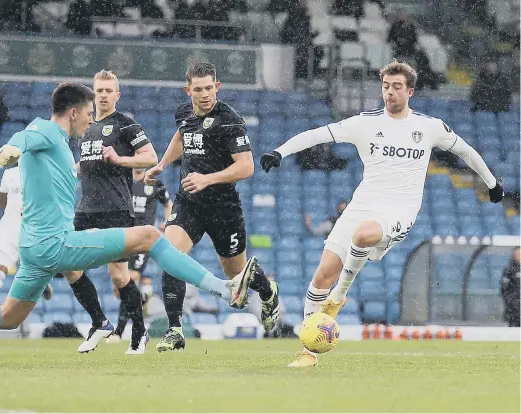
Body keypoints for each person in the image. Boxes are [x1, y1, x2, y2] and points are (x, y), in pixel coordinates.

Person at [0, 82, 257, 343]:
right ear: (73, 112)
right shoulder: (47, 132)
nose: (92, 120)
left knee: (7, 318)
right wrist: (12, 149)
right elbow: (25, 138)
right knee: (149, 235)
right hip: (55, 245)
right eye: (89, 113)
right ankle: (224, 287)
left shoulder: (60, 142)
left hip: (34, 249)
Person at [260, 61, 505, 367]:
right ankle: (308, 352)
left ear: (410, 91)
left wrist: (493, 184)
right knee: (322, 273)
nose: (390, 92)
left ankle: (338, 299)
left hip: (400, 210)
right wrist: (279, 151)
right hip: (363, 203)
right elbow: (317, 134)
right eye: (386, 86)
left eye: (397, 87)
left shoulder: (429, 127)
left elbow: (466, 151)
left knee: (363, 236)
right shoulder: (365, 122)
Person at [145, 61, 280, 352]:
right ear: (188, 90)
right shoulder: (183, 113)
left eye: (209, 88)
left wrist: (208, 179)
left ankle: (268, 292)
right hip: (189, 204)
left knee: (236, 276)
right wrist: (163, 163)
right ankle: (175, 330)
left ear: (217, 87)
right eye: (198, 89)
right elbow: (182, 137)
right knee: (170, 256)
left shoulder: (230, 120)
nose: (205, 94)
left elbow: (246, 167)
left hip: (224, 209)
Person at [62, 70, 158, 356]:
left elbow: (151, 157)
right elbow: (84, 166)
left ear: (117, 94)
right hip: (86, 209)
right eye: (99, 90)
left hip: (115, 209)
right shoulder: (84, 127)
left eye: (108, 90)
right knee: (67, 263)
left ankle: (139, 334)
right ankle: (99, 322)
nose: (103, 95)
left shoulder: (126, 126)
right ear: (92, 94)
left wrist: (120, 159)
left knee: (118, 276)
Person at [0, 167, 53, 345]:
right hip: (7, 234)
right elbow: (0, 202)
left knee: (33, 274)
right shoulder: (10, 174)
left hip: (32, 234)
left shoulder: (44, 170)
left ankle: (42, 281)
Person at [107, 167, 172, 343]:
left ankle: (119, 332)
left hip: (142, 241)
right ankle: (142, 297)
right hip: (123, 237)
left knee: (131, 278)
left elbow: (168, 204)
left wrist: (168, 223)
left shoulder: (155, 184)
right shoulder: (123, 181)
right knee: (120, 287)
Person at [501, 247, 520, 327]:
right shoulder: (509, 270)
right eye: (517, 254)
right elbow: (504, 289)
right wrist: (513, 302)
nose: (519, 256)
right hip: (513, 311)